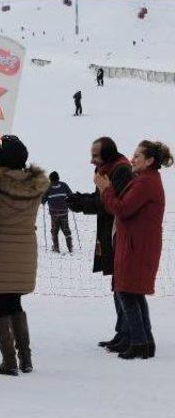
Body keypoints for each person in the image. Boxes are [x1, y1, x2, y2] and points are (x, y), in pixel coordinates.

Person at [0, 135, 50, 376]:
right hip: (25, 248)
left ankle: (9, 361)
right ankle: (25, 358)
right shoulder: (35, 186)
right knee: (15, 302)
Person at [95, 141, 171, 359]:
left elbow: (122, 208)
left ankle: (139, 342)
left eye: (138, 156)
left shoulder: (146, 182)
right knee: (133, 293)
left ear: (149, 161)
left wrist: (106, 190)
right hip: (137, 244)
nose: (133, 159)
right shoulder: (146, 180)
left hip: (137, 246)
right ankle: (145, 342)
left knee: (128, 293)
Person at [66, 137, 133, 352]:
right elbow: (102, 200)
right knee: (117, 283)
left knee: (123, 285)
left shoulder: (121, 170)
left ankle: (128, 333)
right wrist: (78, 199)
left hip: (118, 234)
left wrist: (80, 203)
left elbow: (109, 204)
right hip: (111, 232)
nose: (92, 160)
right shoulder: (106, 170)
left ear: (108, 153)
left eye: (95, 155)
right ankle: (122, 332)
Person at [41, 171, 74, 253]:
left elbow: (42, 200)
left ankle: (56, 248)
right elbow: (71, 195)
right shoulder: (64, 185)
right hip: (64, 211)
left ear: (50, 179)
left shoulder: (48, 187)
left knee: (54, 230)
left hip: (54, 212)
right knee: (66, 229)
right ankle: (70, 247)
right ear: (58, 177)